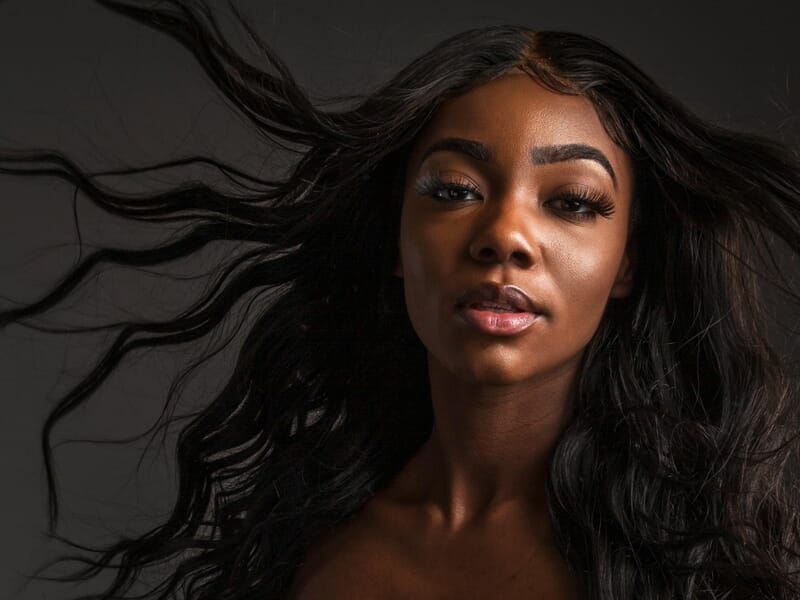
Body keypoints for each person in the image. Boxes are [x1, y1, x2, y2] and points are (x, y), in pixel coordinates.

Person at [2, 1, 800, 598]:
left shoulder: (694, 568)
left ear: (628, 261)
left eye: (573, 201)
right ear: (395, 238)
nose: (505, 235)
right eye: (455, 188)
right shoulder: (309, 549)